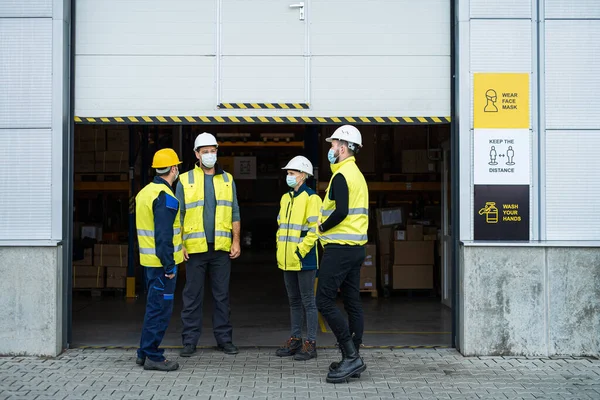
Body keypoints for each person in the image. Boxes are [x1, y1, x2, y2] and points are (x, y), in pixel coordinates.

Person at [177, 132, 241, 357]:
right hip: (194, 249)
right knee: (192, 296)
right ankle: (189, 341)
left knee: (221, 296)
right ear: (197, 154)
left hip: (221, 248)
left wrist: (236, 241)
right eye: (205, 152)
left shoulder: (227, 179)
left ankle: (224, 340)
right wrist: (180, 244)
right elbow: (179, 214)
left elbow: (234, 210)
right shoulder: (185, 180)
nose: (210, 155)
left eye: (213, 151)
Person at [316, 125, 369, 383]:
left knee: (323, 300)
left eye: (333, 144)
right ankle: (354, 358)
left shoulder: (341, 176)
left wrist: (321, 227)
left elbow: (342, 211)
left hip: (340, 248)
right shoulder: (356, 174)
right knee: (352, 303)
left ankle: (350, 356)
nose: (331, 148)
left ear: (343, 147)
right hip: (357, 248)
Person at [135, 148, 184, 371]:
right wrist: (169, 266)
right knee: (160, 310)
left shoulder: (145, 192)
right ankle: (153, 355)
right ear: (174, 169)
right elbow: (164, 236)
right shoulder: (166, 197)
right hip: (162, 266)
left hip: (149, 263)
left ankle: (143, 352)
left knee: (152, 307)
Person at [274, 156, 322, 361]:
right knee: (294, 301)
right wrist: (280, 249)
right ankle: (295, 339)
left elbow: (314, 231)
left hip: (304, 259)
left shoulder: (312, 199)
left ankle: (310, 343)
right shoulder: (285, 198)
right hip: (287, 260)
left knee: (308, 302)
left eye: (292, 173)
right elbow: (280, 228)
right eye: (288, 173)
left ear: (303, 175)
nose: (288, 176)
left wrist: (300, 251)